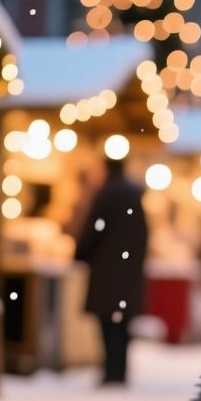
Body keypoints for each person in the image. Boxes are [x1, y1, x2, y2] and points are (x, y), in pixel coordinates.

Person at [75, 153, 150, 387]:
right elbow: (143, 236)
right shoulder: (134, 197)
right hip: (127, 273)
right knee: (122, 324)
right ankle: (120, 371)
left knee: (108, 325)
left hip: (106, 272)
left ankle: (111, 371)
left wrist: (80, 253)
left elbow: (94, 230)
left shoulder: (106, 195)